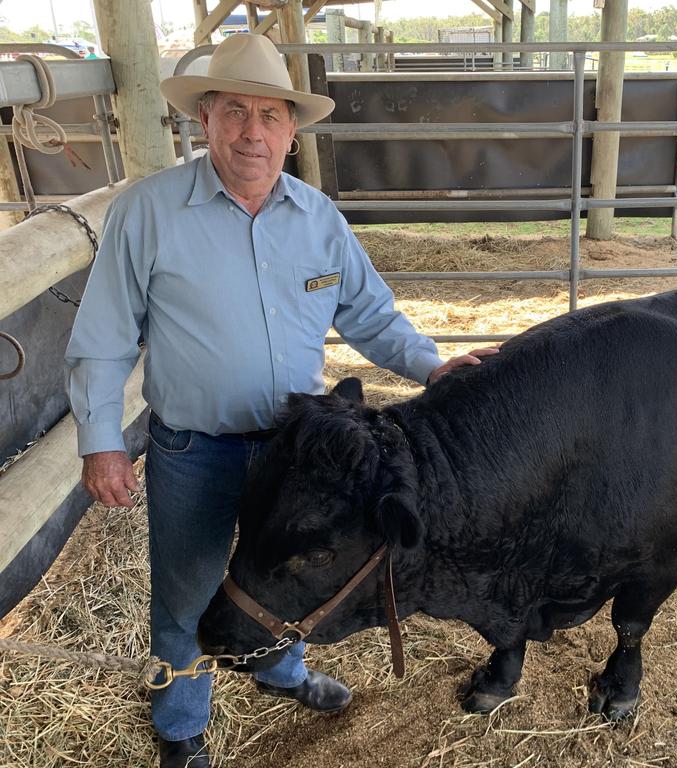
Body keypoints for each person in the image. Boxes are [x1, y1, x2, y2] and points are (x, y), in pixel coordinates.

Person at [65, 33, 496, 768]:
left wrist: (430, 366)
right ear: (203, 119)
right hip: (196, 450)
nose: (251, 133)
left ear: (292, 131)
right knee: (186, 593)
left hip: (295, 453)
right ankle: (180, 725)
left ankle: (280, 670)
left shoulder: (318, 219)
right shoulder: (149, 213)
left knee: (293, 575)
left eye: (269, 116)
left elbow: (369, 314)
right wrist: (101, 439)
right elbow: (103, 336)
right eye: (234, 112)